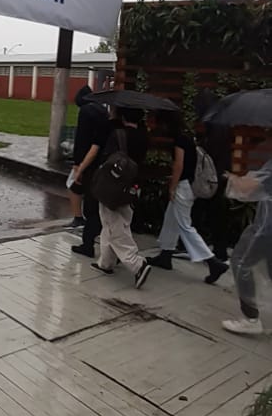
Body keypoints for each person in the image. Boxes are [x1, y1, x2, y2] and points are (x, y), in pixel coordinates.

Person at [148, 113, 228, 282]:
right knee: (171, 220)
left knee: (185, 226)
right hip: (188, 186)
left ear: (167, 124)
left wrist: (172, 187)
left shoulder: (180, 140)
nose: (159, 127)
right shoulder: (188, 138)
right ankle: (165, 255)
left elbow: (179, 165)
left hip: (182, 187)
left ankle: (213, 262)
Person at [94, 107, 152, 288]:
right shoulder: (144, 136)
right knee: (116, 223)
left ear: (124, 116)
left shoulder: (117, 134)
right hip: (132, 186)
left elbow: (106, 160)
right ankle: (106, 263)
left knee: (114, 227)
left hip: (113, 187)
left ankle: (137, 265)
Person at [222, 161, 272, 336]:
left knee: (240, 262)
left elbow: (249, 187)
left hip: (265, 229)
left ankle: (251, 319)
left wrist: (232, 179)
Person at [193, 89, 232, 262]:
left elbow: (211, 151)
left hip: (212, 175)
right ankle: (217, 248)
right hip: (220, 173)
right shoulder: (222, 122)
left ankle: (207, 248)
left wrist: (201, 142)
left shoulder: (213, 125)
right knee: (215, 213)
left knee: (207, 211)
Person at [70, 92, 110, 258]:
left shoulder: (86, 112)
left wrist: (78, 165)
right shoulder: (104, 114)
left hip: (90, 164)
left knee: (88, 203)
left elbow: (83, 140)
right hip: (104, 165)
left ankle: (82, 226)